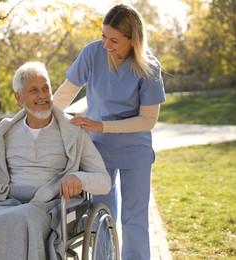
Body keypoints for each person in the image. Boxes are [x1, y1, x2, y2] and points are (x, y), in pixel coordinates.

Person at [0, 61, 111, 260]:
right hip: (7, 202)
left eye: (45, 88)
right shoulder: (5, 131)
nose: (42, 95)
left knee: (22, 218)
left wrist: (79, 179)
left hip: (50, 205)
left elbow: (104, 180)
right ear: (19, 97)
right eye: (34, 90)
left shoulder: (72, 131)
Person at [53, 4, 166, 260]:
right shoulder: (92, 53)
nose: (106, 45)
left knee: (134, 218)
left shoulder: (149, 68)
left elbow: (147, 120)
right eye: (104, 36)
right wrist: (38, 117)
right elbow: (66, 93)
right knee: (103, 213)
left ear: (132, 40)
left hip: (135, 151)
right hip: (99, 149)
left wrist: (101, 125)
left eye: (114, 40)